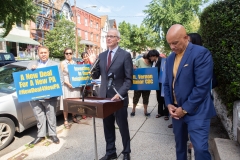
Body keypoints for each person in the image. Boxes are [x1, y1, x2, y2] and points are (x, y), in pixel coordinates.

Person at [164, 24, 216, 160]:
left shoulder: (201, 53)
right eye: (169, 44)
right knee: (180, 147)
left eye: (175, 43)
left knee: (200, 149)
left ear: (186, 38)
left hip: (197, 111)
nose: (172, 47)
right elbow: (167, 84)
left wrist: (185, 108)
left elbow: (202, 87)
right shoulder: (170, 58)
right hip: (176, 111)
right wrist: (169, 104)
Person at [92, 28, 132, 160]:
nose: (108, 38)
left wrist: (120, 94)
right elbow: (96, 74)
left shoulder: (125, 55)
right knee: (107, 126)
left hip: (118, 98)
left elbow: (128, 80)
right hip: (104, 97)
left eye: (111, 36)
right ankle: (111, 152)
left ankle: (126, 152)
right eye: (107, 36)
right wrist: (93, 64)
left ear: (118, 39)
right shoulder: (102, 55)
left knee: (122, 126)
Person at [27, 46, 61, 145]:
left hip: (50, 97)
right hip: (36, 98)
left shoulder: (55, 65)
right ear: (38, 53)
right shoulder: (31, 65)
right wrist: (31, 72)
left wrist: (53, 93)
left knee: (51, 116)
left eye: (45, 52)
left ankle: (53, 134)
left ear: (48, 53)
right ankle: (40, 135)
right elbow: (25, 80)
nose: (43, 54)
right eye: (41, 53)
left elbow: (60, 81)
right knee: (39, 117)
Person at [60, 48, 81, 129]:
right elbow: (60, 76)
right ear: (64, 54)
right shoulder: (62, 63)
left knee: (74, 102)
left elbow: (78, 74)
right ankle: (65, 120)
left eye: (70, 53)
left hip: (75, 85)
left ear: (72, 54)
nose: (68, 55)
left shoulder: (75, 63)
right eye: (66, 53)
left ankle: (74, 117)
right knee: (66, 103)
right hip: (66, 85)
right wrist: (67, 83)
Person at [147, 50, 169, 119]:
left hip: (163, 82)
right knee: (159, 98)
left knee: (165, 98)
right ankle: (160, 112)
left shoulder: (163, 60)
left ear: (154, 55)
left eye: (150, 57)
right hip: (157, 83)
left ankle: (166, 113)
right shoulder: (153, 62)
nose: (150, 58)